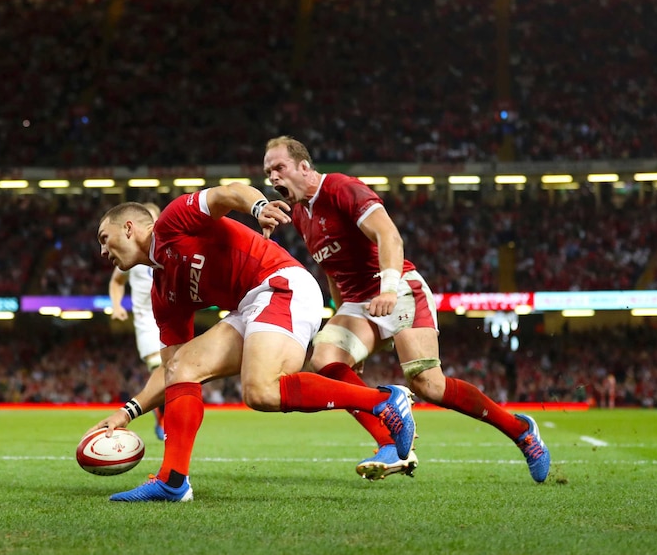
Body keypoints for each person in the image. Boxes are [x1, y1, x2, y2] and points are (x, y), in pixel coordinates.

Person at [91, 183, 417, 502]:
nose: (103, 252)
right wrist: (127, 412)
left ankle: (383, 400)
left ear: (129, 228)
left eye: (105, 239)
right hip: (250, 306)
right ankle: (172, 481)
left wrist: (259, 207)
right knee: (183, 367)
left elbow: (227, 193)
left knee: (260, 390)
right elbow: (170, 370)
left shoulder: (171, 223)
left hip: (280, 283)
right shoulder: (163, 293)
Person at [262, 135, 551, 483]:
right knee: (325, 360)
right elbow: (333, 275)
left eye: (279, 168)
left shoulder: (339, 187)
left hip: (397, 287)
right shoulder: (302, 217)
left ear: (304, 167)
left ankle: (520, 430)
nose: (273, 178)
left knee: (429, 385)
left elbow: (389, 236)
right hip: (358, 303)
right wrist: (347, 328)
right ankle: (389, 443)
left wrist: (386, 288)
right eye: (268, 172)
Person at [108, 202, 166, 440]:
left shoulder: (169, 247)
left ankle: (164, 416)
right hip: (147, 322)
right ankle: (163, 422)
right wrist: (116, 306)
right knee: (160, 368)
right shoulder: (131, 253)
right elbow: (116, 282)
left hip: (170, 316)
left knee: (177, 374)